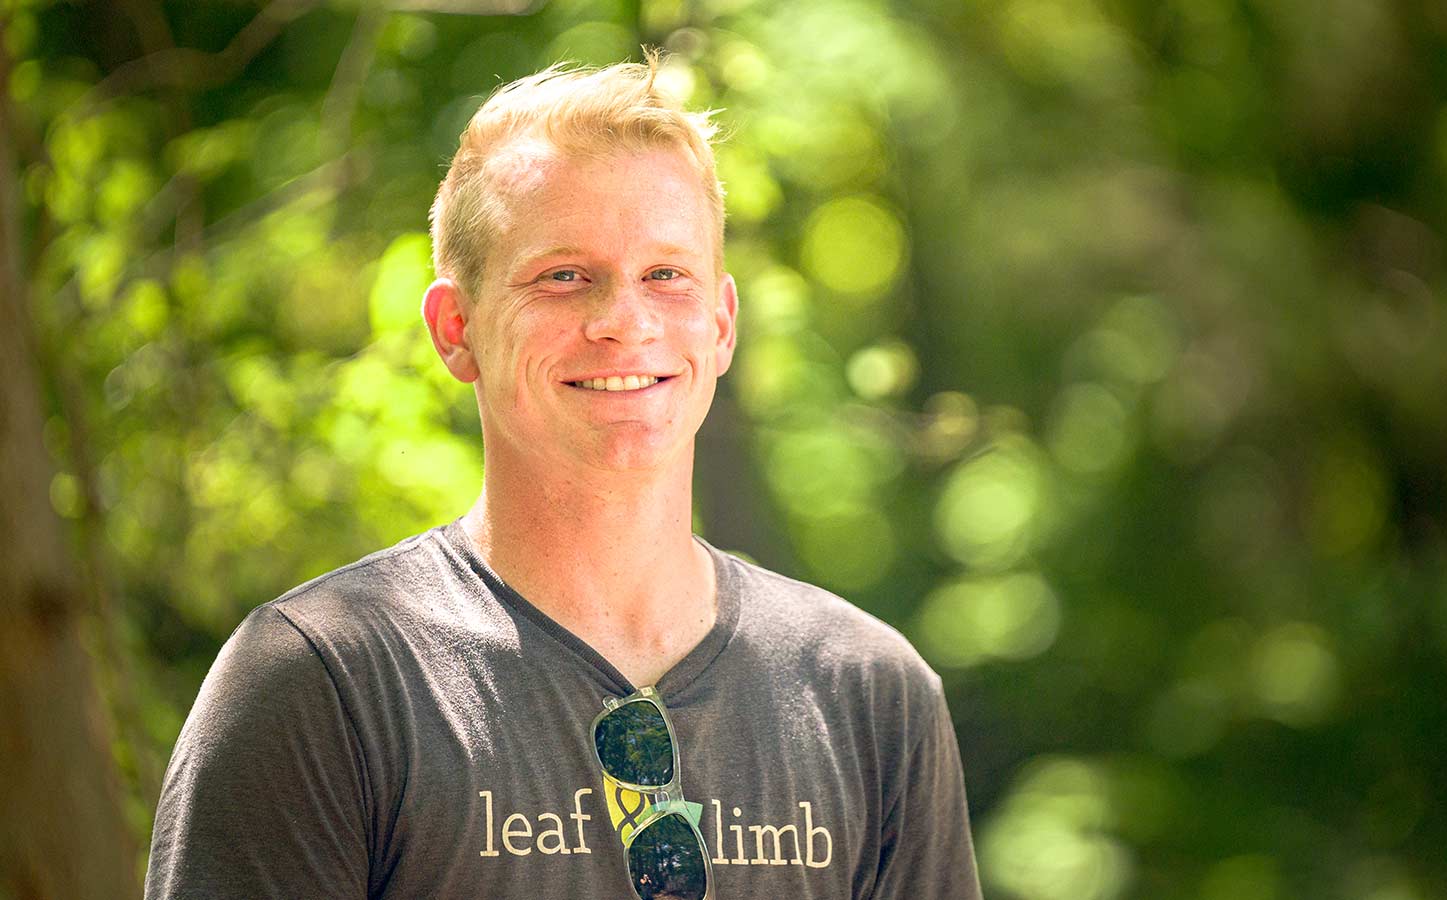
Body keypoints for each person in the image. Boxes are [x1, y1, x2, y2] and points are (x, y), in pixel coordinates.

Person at [145, 53, 982, 899]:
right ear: (455, 328)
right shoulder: (324, 684)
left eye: (666, 275)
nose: (625, 321)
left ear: (722, 325)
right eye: (563, 277)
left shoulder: (870, 695)